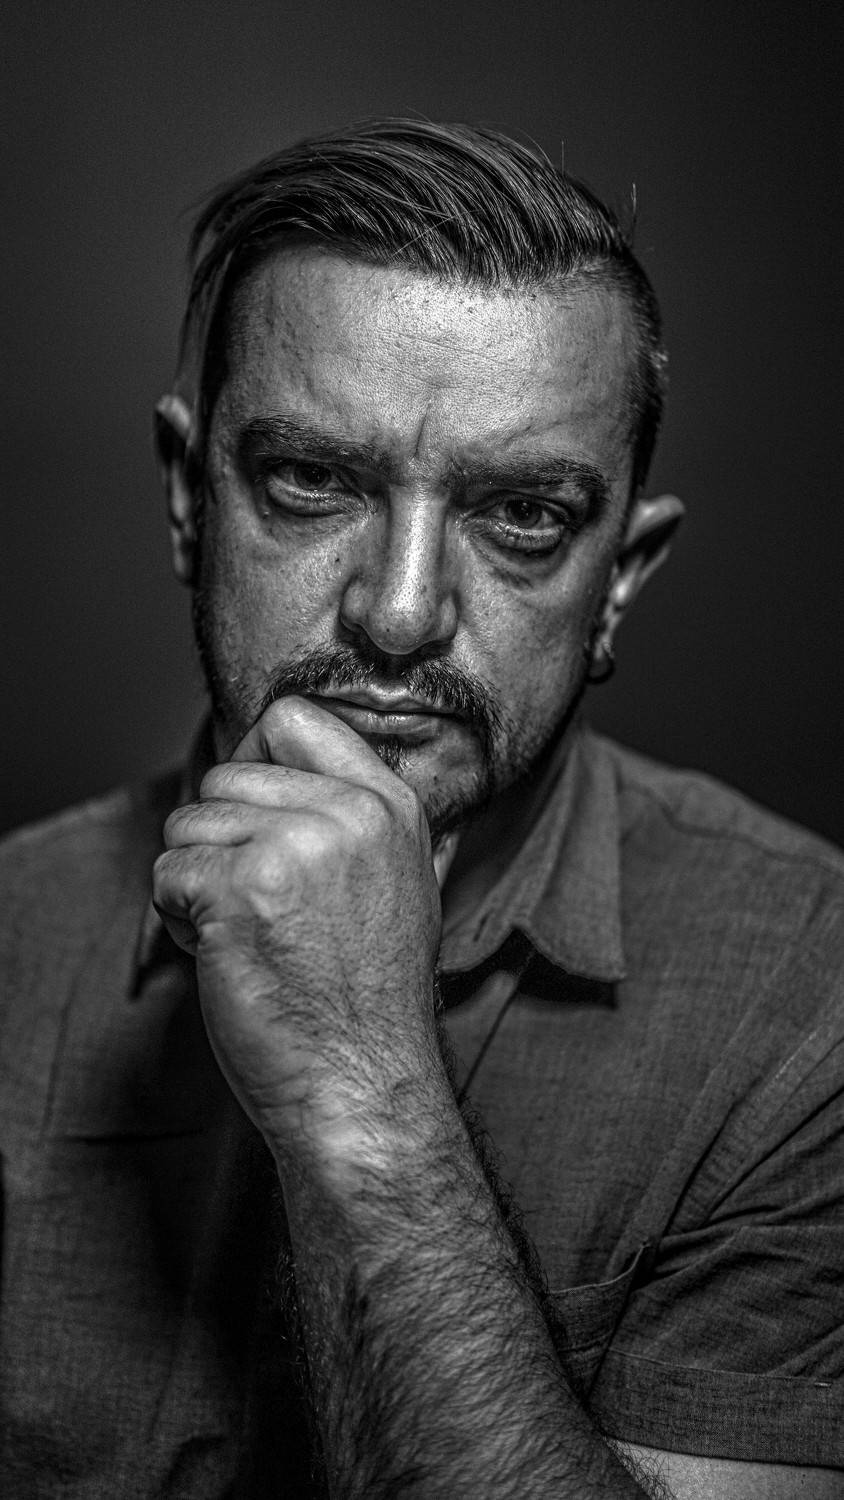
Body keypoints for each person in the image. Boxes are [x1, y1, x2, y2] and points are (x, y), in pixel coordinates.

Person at [1, 119, 841, 1500]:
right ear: (187, 499)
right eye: (312, 481)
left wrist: (365, 1097)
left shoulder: (812, 1006)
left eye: (522, 516)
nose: (398, 614)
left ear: (620, 580)